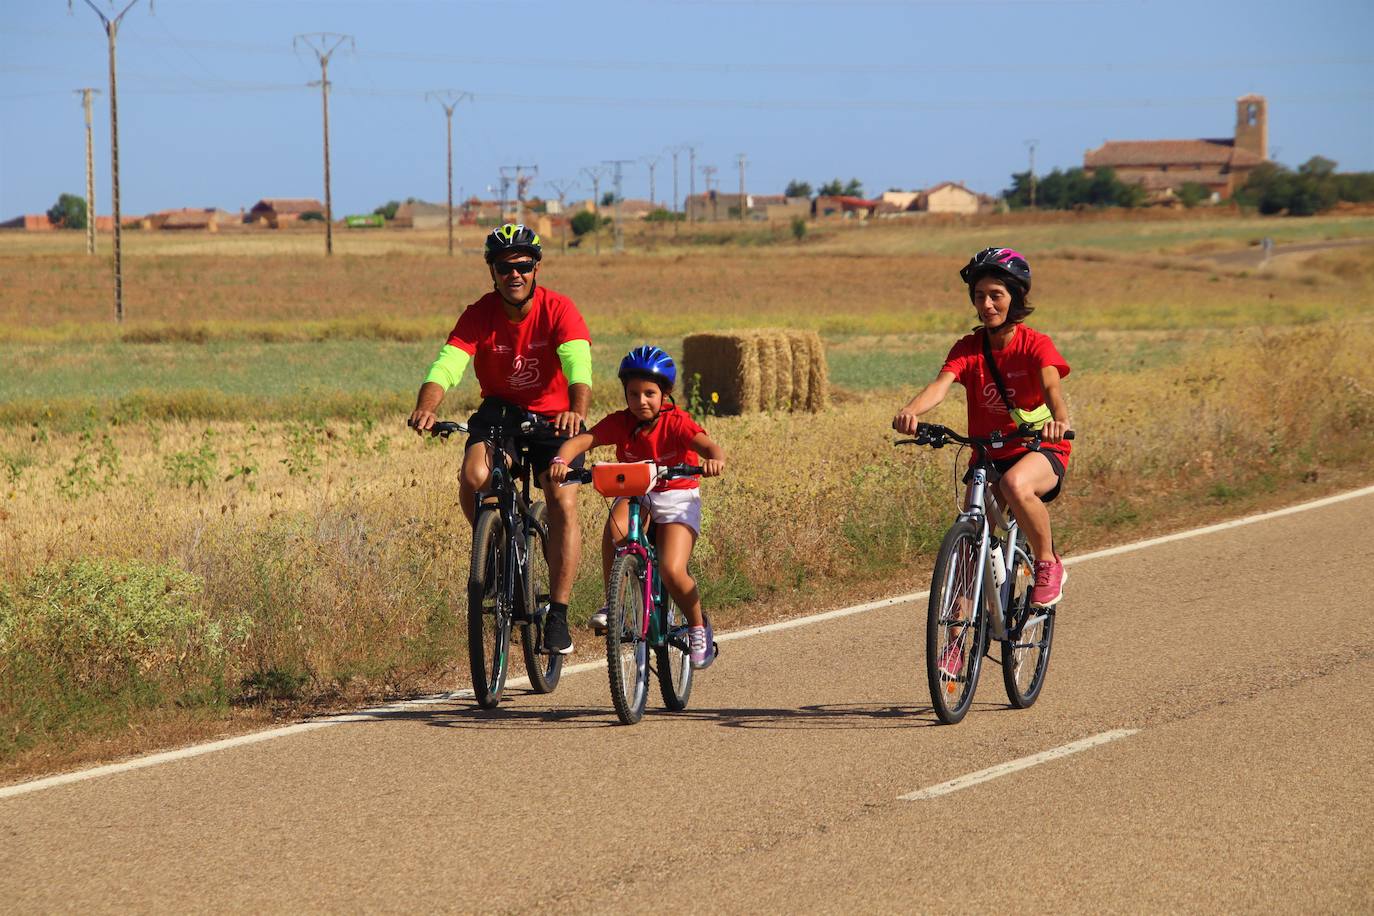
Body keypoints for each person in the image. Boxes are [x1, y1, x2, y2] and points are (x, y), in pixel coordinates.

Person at [409, 224, 592, 655]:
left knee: (561, 498)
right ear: (492, 272)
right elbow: (447, 365)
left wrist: (576, 413)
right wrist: (427, 406)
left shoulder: (560, 310)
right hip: (500, 411)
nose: (515, 274)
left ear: (536, 268)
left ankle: (559, 614)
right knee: (474, 475)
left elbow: (578, 366)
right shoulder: (479, 313)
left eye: (524, 266)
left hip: (554, 417)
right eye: (505, 266)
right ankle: (492, 549)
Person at [893, 246, 1073, 625]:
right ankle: (958, 634)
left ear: (1015, 298)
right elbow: (940, 386)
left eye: (996, 295)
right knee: (969, 543)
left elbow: (1052, 388)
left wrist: (1059, 418)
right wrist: (912, 411)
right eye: (979, 296)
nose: (986, 304)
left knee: (1015, 484)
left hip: (1039, 448)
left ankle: (1047, 562)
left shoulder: (1035, 344)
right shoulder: (968, 348)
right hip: (987, 454)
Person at [548, 346, 726, 669]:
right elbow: (582, 441)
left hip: (677, 494)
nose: (641, 401)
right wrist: (562, 459)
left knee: (673, 570)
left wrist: (714, 459)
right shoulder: (620, 423)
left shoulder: (677, 423)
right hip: (636, 491)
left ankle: (698, 625)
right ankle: (611, 603)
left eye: (649, 393)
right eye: (633, 393)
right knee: (615, 531)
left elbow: (707, 444)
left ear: (665, 394)